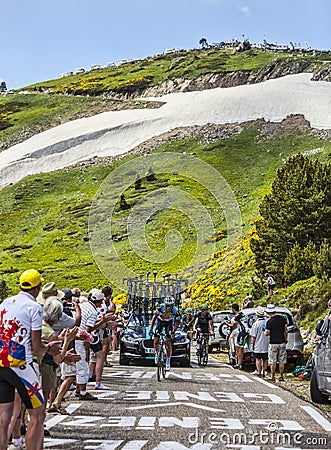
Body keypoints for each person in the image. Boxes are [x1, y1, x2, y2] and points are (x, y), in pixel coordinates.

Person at [0, 269, 61, 450]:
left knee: (4, 417)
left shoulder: (4, 303)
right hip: (21, 365)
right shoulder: (34, 307)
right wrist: (49, 347)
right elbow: (36, 347)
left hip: (1, 361)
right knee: (38, 414)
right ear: (38, 288)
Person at [150, 296, 181, 371]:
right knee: (156, 340)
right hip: (160, 322)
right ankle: (157, 352)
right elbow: (154, 318)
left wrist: (173, 332)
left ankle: (168, 361)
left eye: (170, 306)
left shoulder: (175, 311)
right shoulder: (160, 308)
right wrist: (151, 329)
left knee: (168, 341)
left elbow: (178, 322)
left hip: (169, 323)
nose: (169, 308)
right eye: (167, 306)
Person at [264, 304, 288, 382]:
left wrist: (265, 331)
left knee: (272, 360)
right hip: (282, 341)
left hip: (273, 342)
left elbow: (267, 333)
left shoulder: (269, 321)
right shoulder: (282, 319)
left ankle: (272, 376)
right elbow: (286, 330)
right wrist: (286, 339)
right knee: (282, 360)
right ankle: (281, 376)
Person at [223, 303, 248, 370]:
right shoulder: (243, 314)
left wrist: (225, 323)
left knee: (238, 349)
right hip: (245, 332)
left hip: (239, 333)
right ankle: (239, 363)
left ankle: (239, 364)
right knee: (241, 349)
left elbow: (233, 326)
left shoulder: (236, 317)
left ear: (233, 309)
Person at [250, 306, 269, 377]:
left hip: (258, 344)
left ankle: (259, 371)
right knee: (265, 359)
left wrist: (252, 345)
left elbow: (253, 336)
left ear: (257, 315)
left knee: (258, 359)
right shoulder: (267, 322)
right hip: (266, 344)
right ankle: (264, 371)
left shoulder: (256, 324)